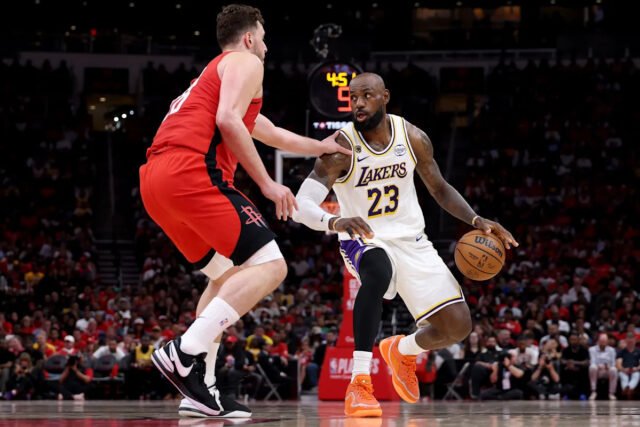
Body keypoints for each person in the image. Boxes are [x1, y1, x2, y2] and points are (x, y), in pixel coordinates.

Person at [140, 4, 350, 419]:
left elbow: (268, 131)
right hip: (190, 172)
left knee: (225, 276)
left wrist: (321, 146)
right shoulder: (244, 61)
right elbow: (228, 121)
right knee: (272, 266)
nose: (267, 48)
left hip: (156, 182)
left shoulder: (212, 78)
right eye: (264, 39)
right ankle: (184, 351)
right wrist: (269, 185)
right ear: (250, 38)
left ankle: (201, 389)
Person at [291, 72, 518, 416]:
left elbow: (439, 188)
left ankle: (402, 350)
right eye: (353, 98)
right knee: (378, 269)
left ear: (385, 97)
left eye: (366, 96)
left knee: (458, 326)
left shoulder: (412, 137)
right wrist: (335, 222)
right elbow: (301, 205)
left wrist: (476, 219)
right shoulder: (340, 148)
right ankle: (360, 384)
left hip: (412, 240)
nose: (358, 104)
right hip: (362, 238)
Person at [560, 332, 590, 399]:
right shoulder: (566, 350)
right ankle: (565, 393)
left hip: (580, 369)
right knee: (563, 369)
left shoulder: (583, 350)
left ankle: (583, 393)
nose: (573, 342)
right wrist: (569, 363)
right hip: (569, 369)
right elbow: (562, 360)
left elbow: (586, 362)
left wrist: (575, 363)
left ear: (578, 340)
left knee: (586, 370)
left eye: (574, 340)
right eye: (571, 340)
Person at [589, 333, 618, 400]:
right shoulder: (592, 349)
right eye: (601, 341)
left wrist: (608, 366)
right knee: (592, 367)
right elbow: (593, 361)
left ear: (607, 342)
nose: (603, 343)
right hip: (597, 370)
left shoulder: (612, 350)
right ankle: (593, 391)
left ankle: (611, 393)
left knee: (614, 369)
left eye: (604, 342)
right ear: (598, 341)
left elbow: (613, 363)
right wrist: (600, 366)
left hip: (607, 370)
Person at [616, 332, 640, 399]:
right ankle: (627, 389)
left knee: (637, 375)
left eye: (631, 341)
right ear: (626, 341)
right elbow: (618, 364)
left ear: (635, 340)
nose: (630, 342)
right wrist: (623, 369)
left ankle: (629, 388)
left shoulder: (639, 351)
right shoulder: (621, 352)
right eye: (629, 341)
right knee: (623, 376)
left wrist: (636, 369)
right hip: (624, 370)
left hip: (635, 370)